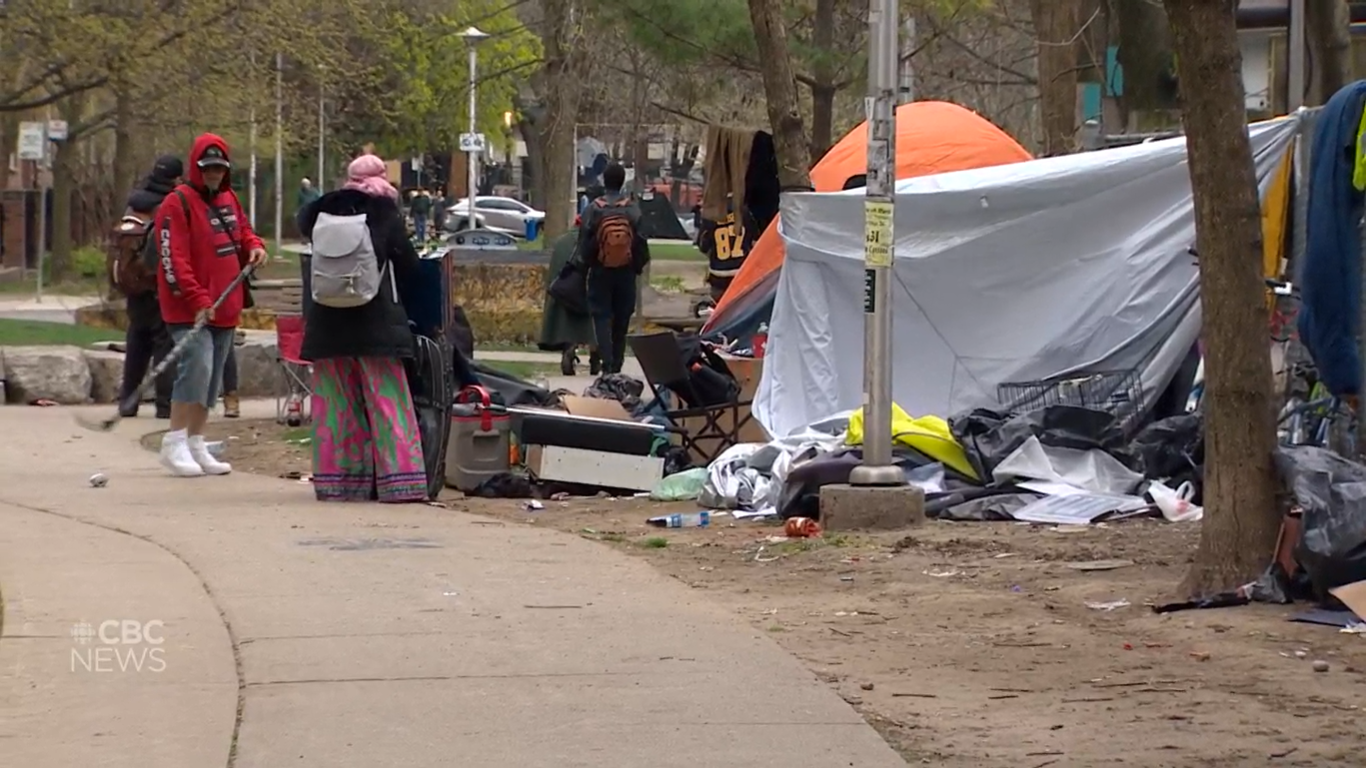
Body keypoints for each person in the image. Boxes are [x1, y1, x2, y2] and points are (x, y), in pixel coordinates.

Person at [299, 153, 427, 503]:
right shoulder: (383, 212)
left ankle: (338, 482)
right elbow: (410, 267)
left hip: (326, 325)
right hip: (377, 326)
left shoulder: (319, 213)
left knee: (336, 408)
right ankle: (400, 483)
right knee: (388, 404)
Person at [155, 134, 268, 477]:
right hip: (189, 308)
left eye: (219, 168)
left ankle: (195, 441)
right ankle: (173, 441)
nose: (214, 174)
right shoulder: (177, 203)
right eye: (208, 168)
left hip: (226, 305)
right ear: (196, 167)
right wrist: (198, 299)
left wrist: (255, 245)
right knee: (197, 367)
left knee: (213, 377)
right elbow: (173, 259)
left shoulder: (229, 198)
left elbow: (243, 231)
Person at [110, 155, 181, 419]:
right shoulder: (169, 204)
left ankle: (127, 402)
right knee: (164, 343)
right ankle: (165, 405)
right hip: (156, 283)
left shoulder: (135, 201)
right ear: (176, 178)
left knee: (137, 341)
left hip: (134, 285)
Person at [577, 163, 649, 374]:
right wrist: (637, 266)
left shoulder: (594, 208)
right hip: (625, 272)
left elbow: (584, 241)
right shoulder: (631, 208)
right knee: (622, 318)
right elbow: (641, 240)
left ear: (604, 181)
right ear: (622, 181)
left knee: (601, 316)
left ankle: (606, 363)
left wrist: (586, 265)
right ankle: (617, 363)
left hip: (600, 270)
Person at [539, 216, 599, 376]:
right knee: (595, 320)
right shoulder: (594, 242)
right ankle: (595, 356)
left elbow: (553, 273)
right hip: (586, 294)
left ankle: (569, 347)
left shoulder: (561, 242)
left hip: (564, 293)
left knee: (567, 320)